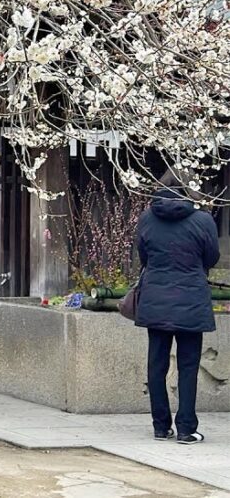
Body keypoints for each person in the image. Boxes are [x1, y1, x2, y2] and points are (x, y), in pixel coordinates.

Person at [135, 171, 219, 445]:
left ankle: (160, 427)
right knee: (188, 365)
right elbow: (212, 257)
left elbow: (143, 256)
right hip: (191, 299)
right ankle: (186, 428)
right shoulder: (203, 220)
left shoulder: (147, 218)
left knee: (156, 364)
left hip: (155, 297)